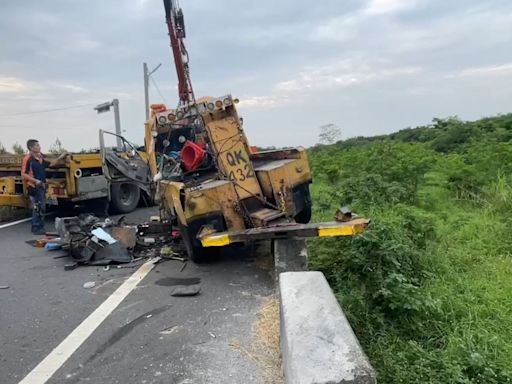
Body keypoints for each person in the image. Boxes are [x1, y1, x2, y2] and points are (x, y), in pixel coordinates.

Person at [21, 139, 68, 235]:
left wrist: (61, 157)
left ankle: (39, 227)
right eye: (37, 146)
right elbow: (24, 174)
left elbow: (50, 164)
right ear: (31, 147)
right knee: (38, 207)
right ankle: (36, 228)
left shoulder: (40, 158)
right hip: (34, 186)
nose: (39, 147)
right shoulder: (28, 159)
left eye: (39, 145)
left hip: (41, 186)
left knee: (42, 207)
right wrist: (36, 181)